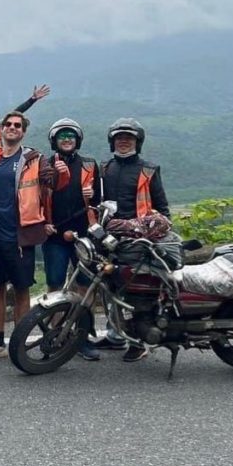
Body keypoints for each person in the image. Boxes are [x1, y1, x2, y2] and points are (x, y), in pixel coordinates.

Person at [0, 111, 70, 362]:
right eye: (8, 124)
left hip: (21, 235)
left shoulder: (34, 159)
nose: (12, 127)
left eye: (18, 125)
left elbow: (52, 183)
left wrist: (60, 173)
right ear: (2, 129)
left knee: (21, 288)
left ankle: (18, 342)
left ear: (23, 131)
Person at [97, 117, 170, 362]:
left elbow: (162, 208)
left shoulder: (149, 170)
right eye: (119, 137)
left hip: (139, 240)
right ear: (112, 141)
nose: (124, 141)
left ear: (138, 142)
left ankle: (138, 342)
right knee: (109, 287)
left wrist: (152, 230)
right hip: (109, 237)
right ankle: (115, 335)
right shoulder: (105, 168)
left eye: (129, 138)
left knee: (135, 292)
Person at [43, 118, 101, 361]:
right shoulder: (44, 165)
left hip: (83, 235)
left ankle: (83, 336)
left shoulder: (89, 165)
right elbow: (36, 198)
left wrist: (93, 194)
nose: (66, 139)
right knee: (55, 285)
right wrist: (43, 223)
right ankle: (56, 334)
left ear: (78, 140)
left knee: (85, 287)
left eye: (71, 136)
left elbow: (99, 201)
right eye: (62, 136)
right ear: (54, 140)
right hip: (55, 235)